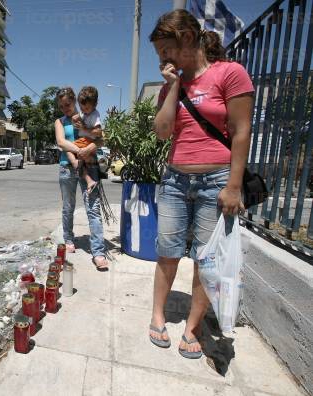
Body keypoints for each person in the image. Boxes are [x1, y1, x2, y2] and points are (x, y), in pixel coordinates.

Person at [148, 10, 254, 359]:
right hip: (175, 179)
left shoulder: (230, 73)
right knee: (167, 251)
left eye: (166, 49)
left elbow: (241, 132)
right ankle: (158, 314)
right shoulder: (170, 86)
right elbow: (162, 132)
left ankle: (193, 327)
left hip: (217, 179)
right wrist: (174, 84)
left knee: (206, 260)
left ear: (188, 40)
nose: (162, 58)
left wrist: (234, 186)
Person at [55, 87, 109, 271]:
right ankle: (69, 239)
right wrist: (80, 151)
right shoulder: (60, 122)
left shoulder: (87, 116)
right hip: (67, 169)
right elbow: (61, 143)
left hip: (89, 165)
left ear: (75, 102)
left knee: (93, 209)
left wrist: (90, 147)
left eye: (68, 105)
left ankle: (98, 253)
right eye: (61, 106)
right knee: (68, 207)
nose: (65, 109)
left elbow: (101, 138)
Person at [67, 86, 103, 194]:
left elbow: (99, 132)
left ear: (95, 105)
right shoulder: (84, 113)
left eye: (86, 108)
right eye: (81, 108)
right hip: (83, 141)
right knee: (79, 162)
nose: (84, 111)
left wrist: (84, 128)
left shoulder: (95, 114)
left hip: (87, 141)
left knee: (69, 150)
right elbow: (76, 118)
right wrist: (76, 119)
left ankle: (88, 179)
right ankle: (89, 180)